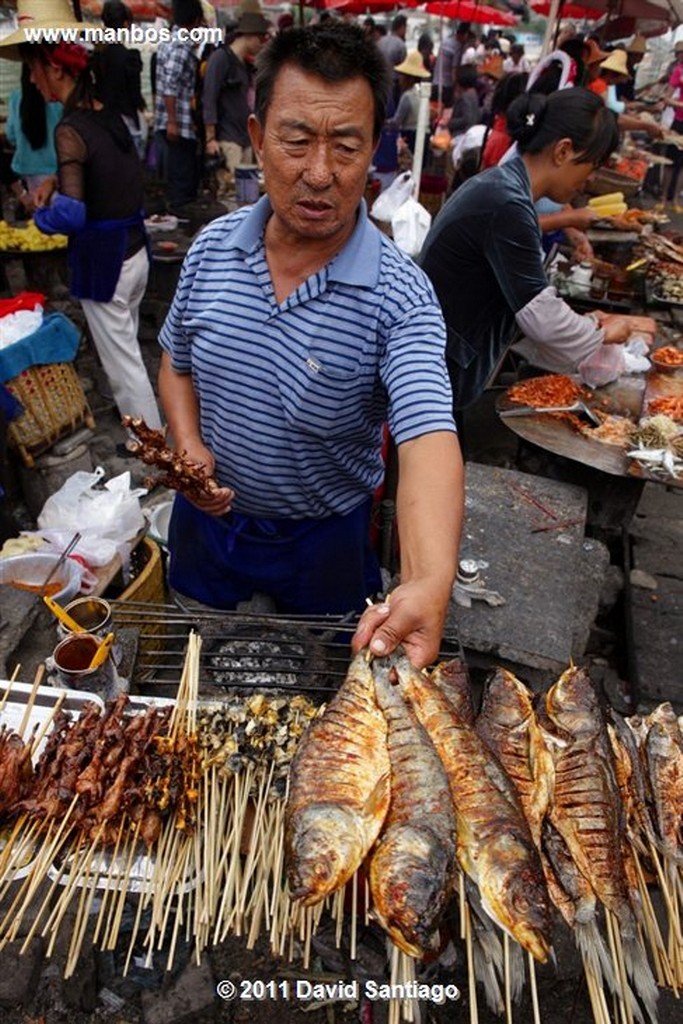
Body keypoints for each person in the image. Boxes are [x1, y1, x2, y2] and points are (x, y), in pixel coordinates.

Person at [158, 21, 464, 669]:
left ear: (373, 148)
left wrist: (428, 579)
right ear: (257, 138)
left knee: (325, 678)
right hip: (208, 528)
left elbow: (426, 434)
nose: (319, 174)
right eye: (296, 141)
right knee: (196, 660)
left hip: (325, 539)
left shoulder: (399, 295)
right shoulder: (211, 251)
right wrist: (187, 446)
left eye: (345, 147)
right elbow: (176, 364)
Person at [419, 89, 635, 421]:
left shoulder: (506, 189)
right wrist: (602, 332)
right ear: (563, 151)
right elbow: (542, 318)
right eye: (591, 166)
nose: (589, 179)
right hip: (436, 374)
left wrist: (588, 323)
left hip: (441, 362)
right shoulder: (507, 204)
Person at [0, 29, 162, 431]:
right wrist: (57, 179)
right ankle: (147, 432)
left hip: (107, 263)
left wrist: (41, 216)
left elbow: (71, 216)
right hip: (135, 252)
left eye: (34, 70)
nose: (33, 80)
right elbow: (104, 171)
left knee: (125, 369)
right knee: (129, 357)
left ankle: (152, 449)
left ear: (54, 67)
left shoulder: (70, 129)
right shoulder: (106, 114)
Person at [202, 11, 272, 192]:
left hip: (245, 136)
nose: (262, 43)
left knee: (248, 191)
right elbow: (209, 97)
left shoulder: (244, 64)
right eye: (260, 37)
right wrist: (210, 138)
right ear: (249, 35)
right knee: (232, 190)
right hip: (228, 137)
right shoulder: (220, 59)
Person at [154, 0, 204, 210]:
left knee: (176, 180)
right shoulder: (181, 44)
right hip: (178, 125)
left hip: (170, 123)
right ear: (195, 21)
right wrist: (173, 121)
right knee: (181, 185)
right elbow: (170, 85)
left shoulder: (168, 41)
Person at [91, 1, 146, 158]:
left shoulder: (96, 56)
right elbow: (135, 95)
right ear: (126, 24)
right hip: (124, 122)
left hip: (101, 122)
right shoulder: (129, 58)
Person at [5, 63, 62, 197]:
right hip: (57, 172)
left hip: (28, 171)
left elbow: (11, 135)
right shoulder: (56, 98)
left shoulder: (16, 98)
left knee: (39, 212)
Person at [662, 39, 683, 211]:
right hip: (678, 121)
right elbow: (667, 98)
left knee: (682, 165)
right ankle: (663, 197)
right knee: (670, 160)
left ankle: (675, 199)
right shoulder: (678, 71)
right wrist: (678, 104)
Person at [432, 21, 471, 107]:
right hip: (446, 87)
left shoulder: (445, 41)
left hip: (435, 83)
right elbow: (454, 71)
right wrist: (456, 88)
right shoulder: (457, 47)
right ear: (465, 35)